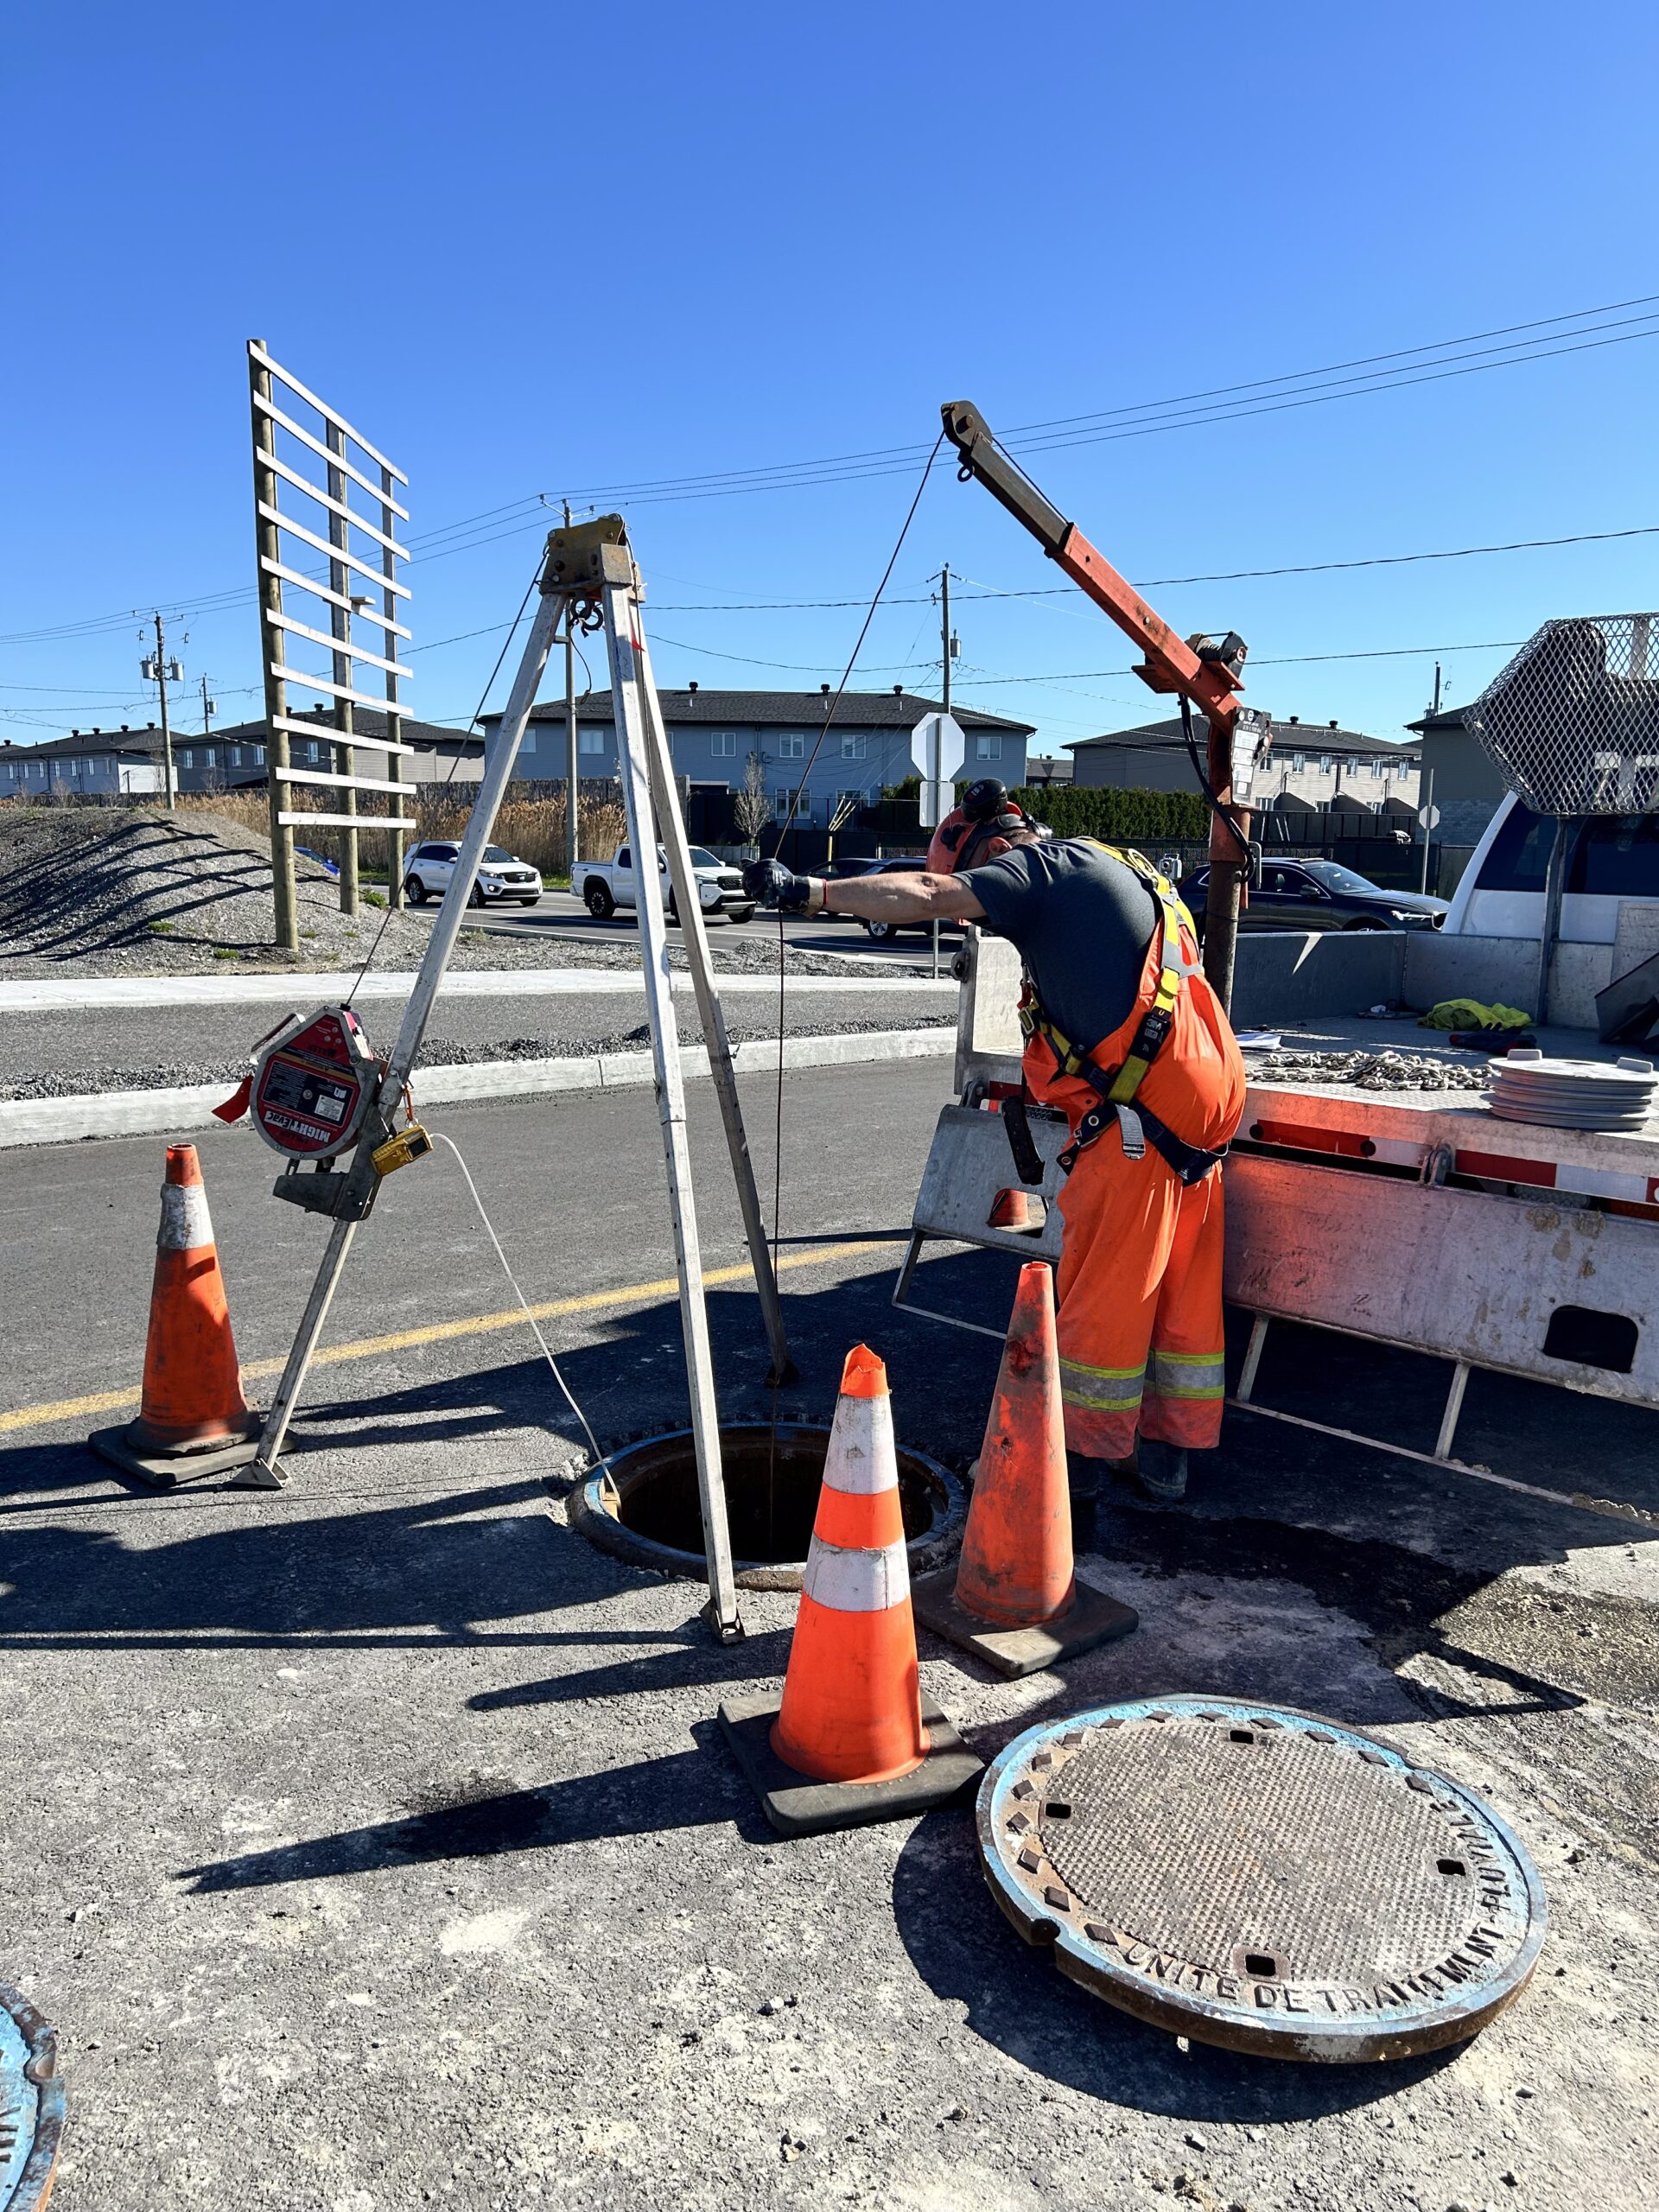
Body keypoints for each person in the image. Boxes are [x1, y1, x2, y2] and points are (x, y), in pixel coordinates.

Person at [744, 810, 1245, 1505]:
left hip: (1140, 1121)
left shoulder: (1044, 870)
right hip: (1200, 1103)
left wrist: (808, 892)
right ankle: (1167, 1457)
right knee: (1176, 1288)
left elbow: (925, 895)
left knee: (1103, 1296)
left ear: (1001, 850)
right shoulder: (1125, 865)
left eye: (981, 880)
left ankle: (1063, 1470)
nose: (984, 901)